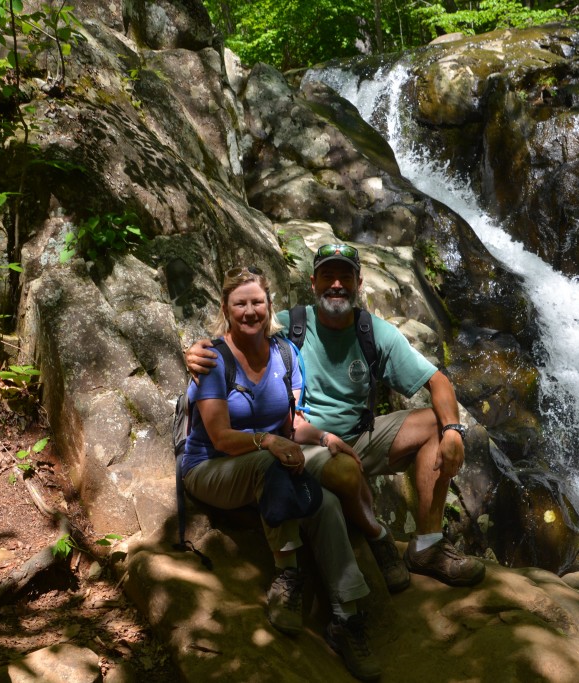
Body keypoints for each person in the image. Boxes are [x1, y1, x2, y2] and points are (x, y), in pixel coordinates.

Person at [187, 245, 486, 598]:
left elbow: (437, 381)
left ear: (359, 283)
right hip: (304, 441)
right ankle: (377, 542)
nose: (337, 284)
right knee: (339, 471)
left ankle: (428, 547)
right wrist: (195, 351)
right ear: (314, 282)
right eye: (328, 276)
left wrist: (453, 431)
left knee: (436, 423)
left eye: (345, 276)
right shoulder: (288, 326)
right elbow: (239, 336)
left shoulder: (373, 333)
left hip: (359, 437)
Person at [178, 266, 381, 681]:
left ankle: (347, 615)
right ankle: (287, 574)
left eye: (257, 302)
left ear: (269, 306)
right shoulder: (213, 360)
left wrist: (324, 438)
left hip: (271, 463)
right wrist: (268, 443)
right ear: (226, 308)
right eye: (240, 303)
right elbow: (219, 436)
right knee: (272, 462)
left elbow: (292, 425)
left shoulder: (285, 354)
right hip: (211, 468)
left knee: (324, 505)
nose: (250, 311)